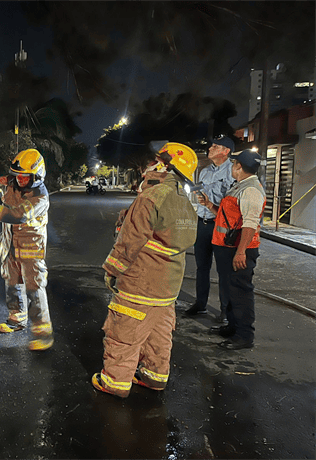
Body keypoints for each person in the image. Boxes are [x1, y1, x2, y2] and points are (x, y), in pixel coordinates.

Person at [91, 143, 198, 398]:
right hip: (168, 286)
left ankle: (114, 382)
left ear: (165, 165)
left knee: (124, 331)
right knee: (159, 334)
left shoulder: (151, 197)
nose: (150, 164)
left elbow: (129, 241)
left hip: (141, 282)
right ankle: (154, 376)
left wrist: (112, 270)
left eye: (156, 160)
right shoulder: (185, 202)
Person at [0, 149, 53, 351]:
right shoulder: (14, 182)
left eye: (24, 177)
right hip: (10, 242)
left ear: (37, 176)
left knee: (34, 287)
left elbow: (16, 215)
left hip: (30, 247)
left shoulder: (40, 198)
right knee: (11, 282)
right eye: (17, 175)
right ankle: (16, 319)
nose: (20, 180)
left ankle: (43, 333)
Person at [198, 149, 265, 350]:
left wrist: (241, 251)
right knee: (231, 289)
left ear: (238, 167)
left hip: (239, 249)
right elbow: (229, 217)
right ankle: (232, 327)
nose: (233, 168)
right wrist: (210, 205)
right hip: (228, 247)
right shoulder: (240, 186)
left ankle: (244, 336)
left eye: (234, 164)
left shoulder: (251, 190)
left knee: (241, 292)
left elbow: (250, 224)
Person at [185, 135, 235, 321]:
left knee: (223, 270)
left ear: (226, 151)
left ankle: (225, 311)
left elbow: (231, 202)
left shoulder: (233, 171)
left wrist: (210, 205)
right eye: (211, 145)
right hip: (203, 223)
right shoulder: (205, 171)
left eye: (216, 146)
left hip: (221, 225)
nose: (211, 148)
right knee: (202, 267)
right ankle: (200, 304)